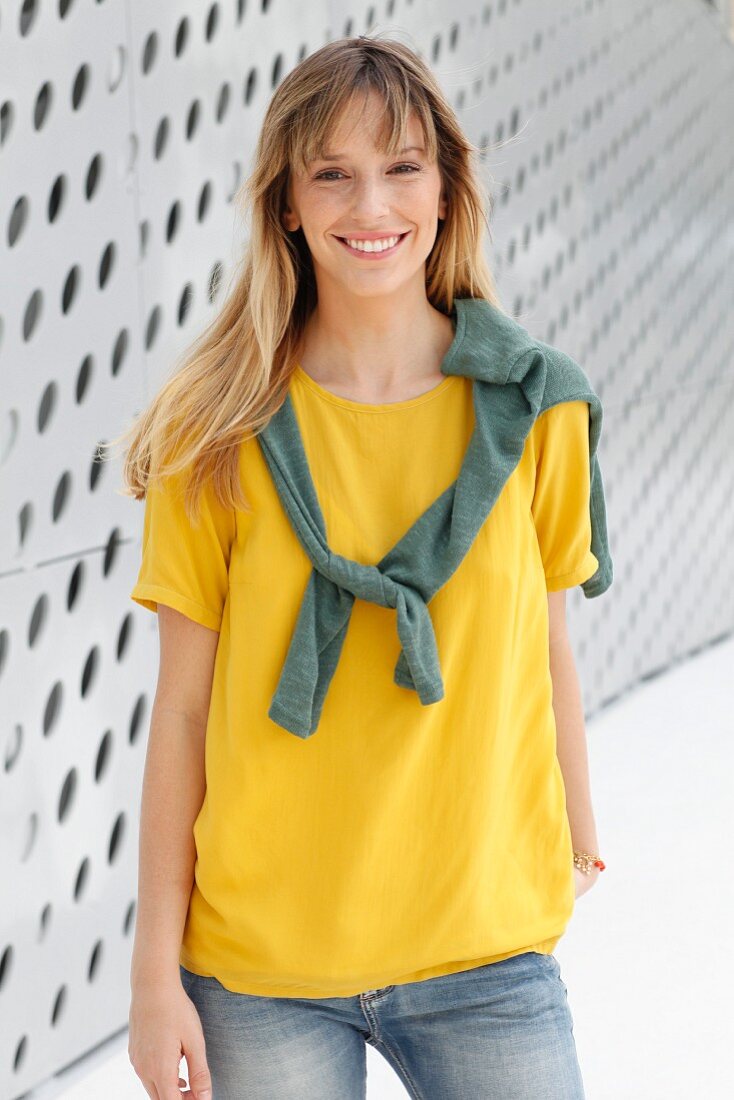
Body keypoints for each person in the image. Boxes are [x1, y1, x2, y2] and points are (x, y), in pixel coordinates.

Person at [115, 32, 612, 1100]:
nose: (368, 205)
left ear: (444, 189)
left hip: (483, 948)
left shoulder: (536, 406)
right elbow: (186, 711)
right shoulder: (216, 429)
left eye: (399, 167)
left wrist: (578, 822)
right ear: (286, 204)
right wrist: (155, 973)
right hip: (259, 967)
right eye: (329, 173)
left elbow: (547, 644)